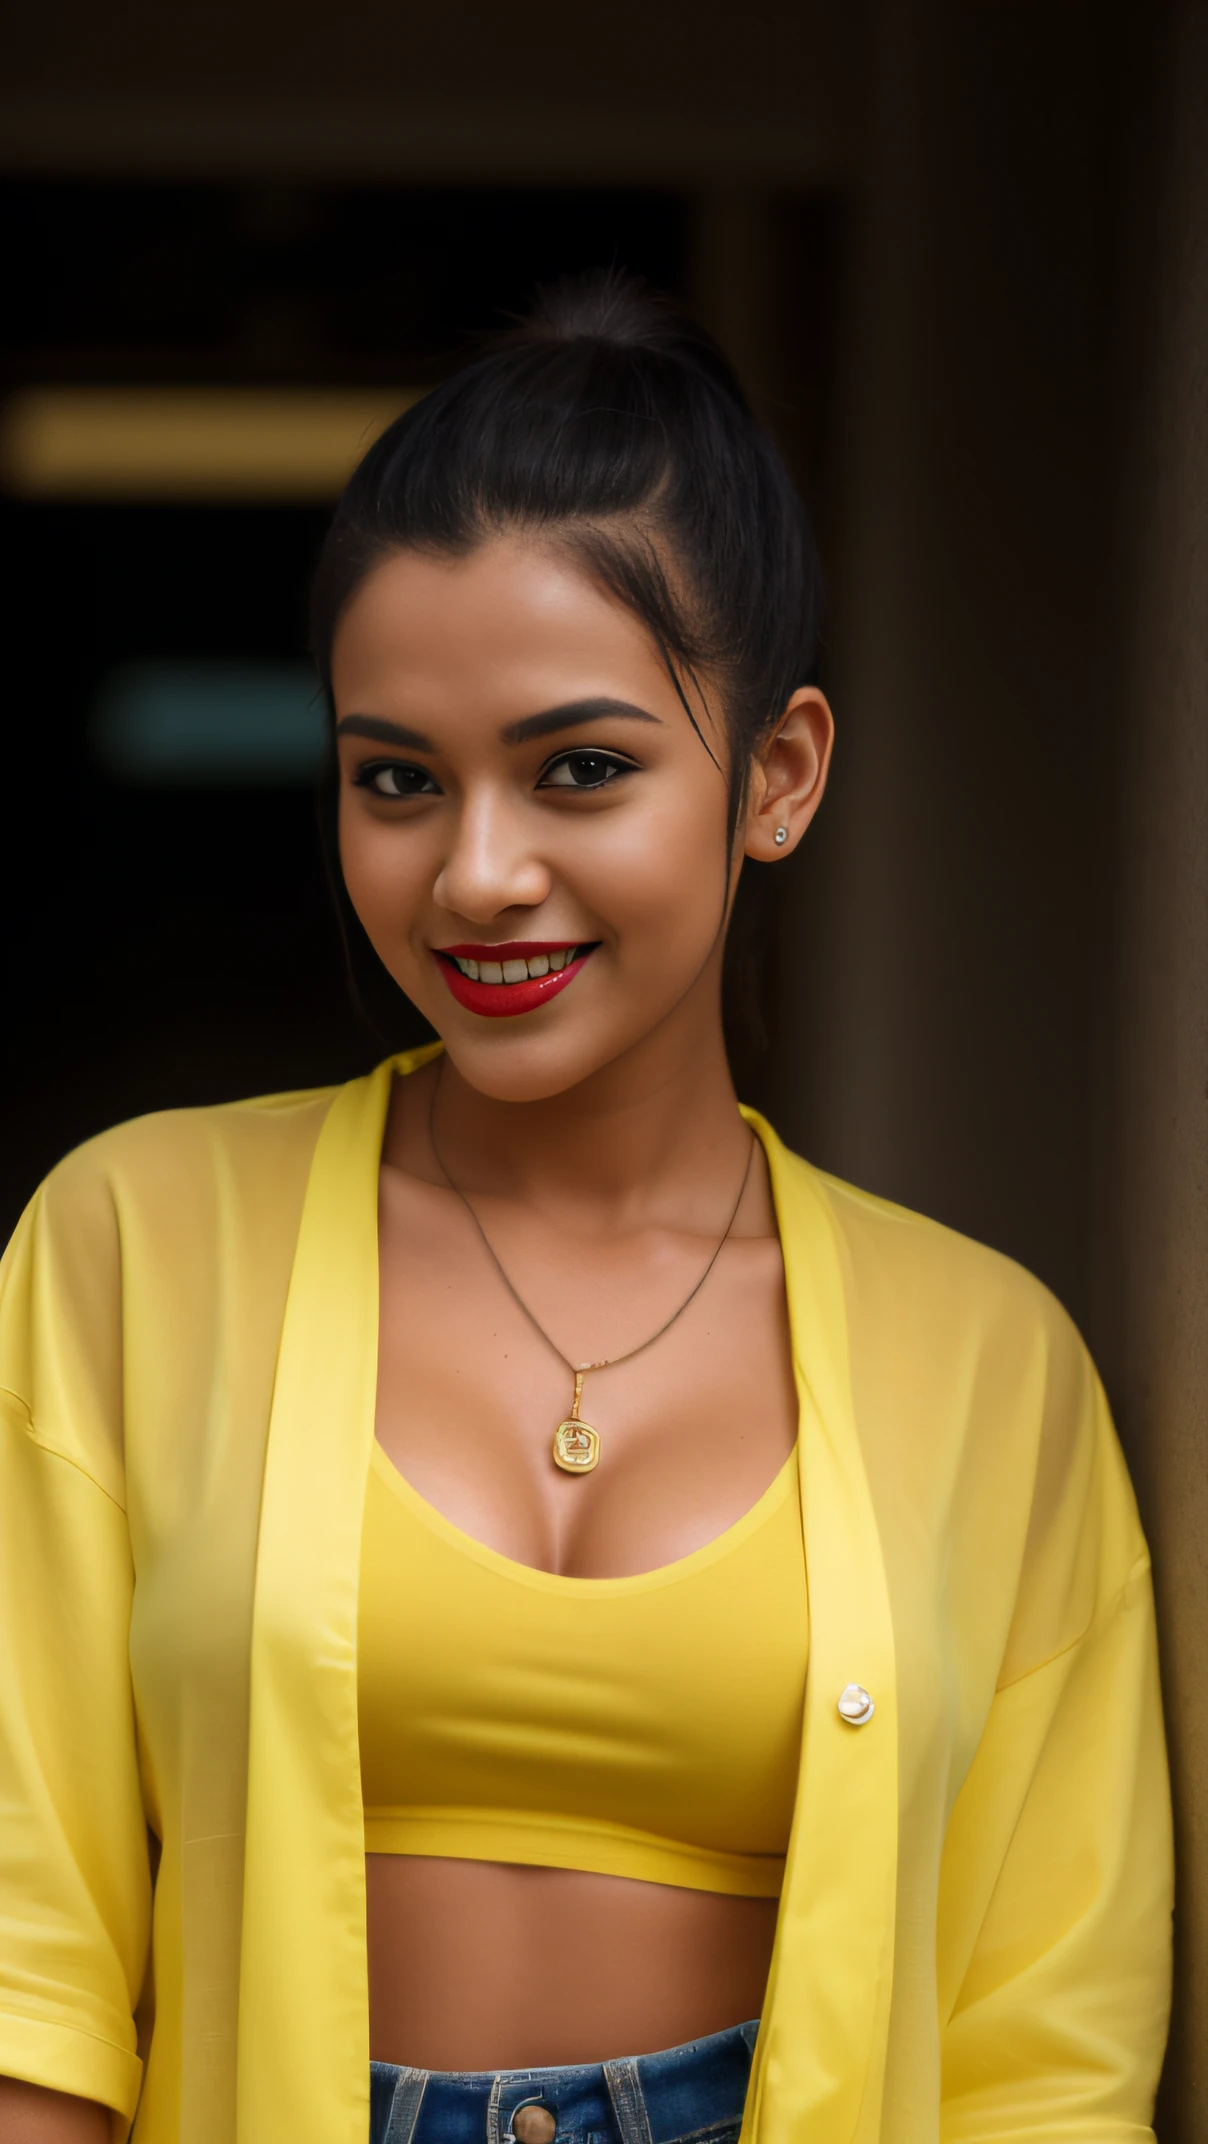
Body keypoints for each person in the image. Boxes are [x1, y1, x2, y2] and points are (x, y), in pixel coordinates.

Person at [0, 273, 1172, 2144]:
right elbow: (27, 1962)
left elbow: (1051, 2056)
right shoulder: (127, 1246)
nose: (476, 873)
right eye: (396, 779)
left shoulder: (992, 1362)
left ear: (775, 777)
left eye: (582, 770)